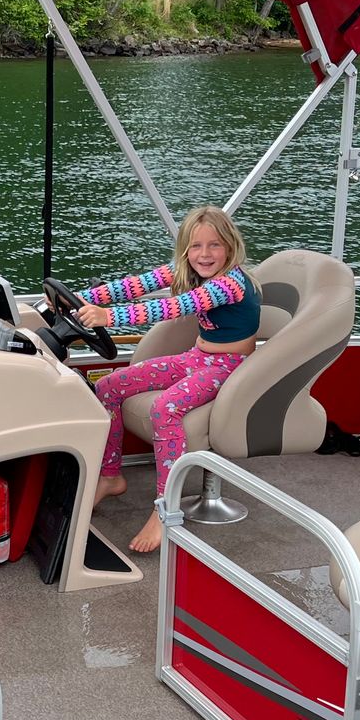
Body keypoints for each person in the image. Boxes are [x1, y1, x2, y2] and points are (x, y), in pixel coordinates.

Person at [79, 205, 260, 553]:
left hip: (228, 367)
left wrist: (106, 317)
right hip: (197, 357)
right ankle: (110, 475)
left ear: (230, 247)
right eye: (195, 246)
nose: (204, 255)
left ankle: (165, 508)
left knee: (165, 409)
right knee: (107, 387)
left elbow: (169, 309)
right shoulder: (189, 270)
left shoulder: (229, 284)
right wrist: (82, 299)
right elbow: (136, 286)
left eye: (214, 245)